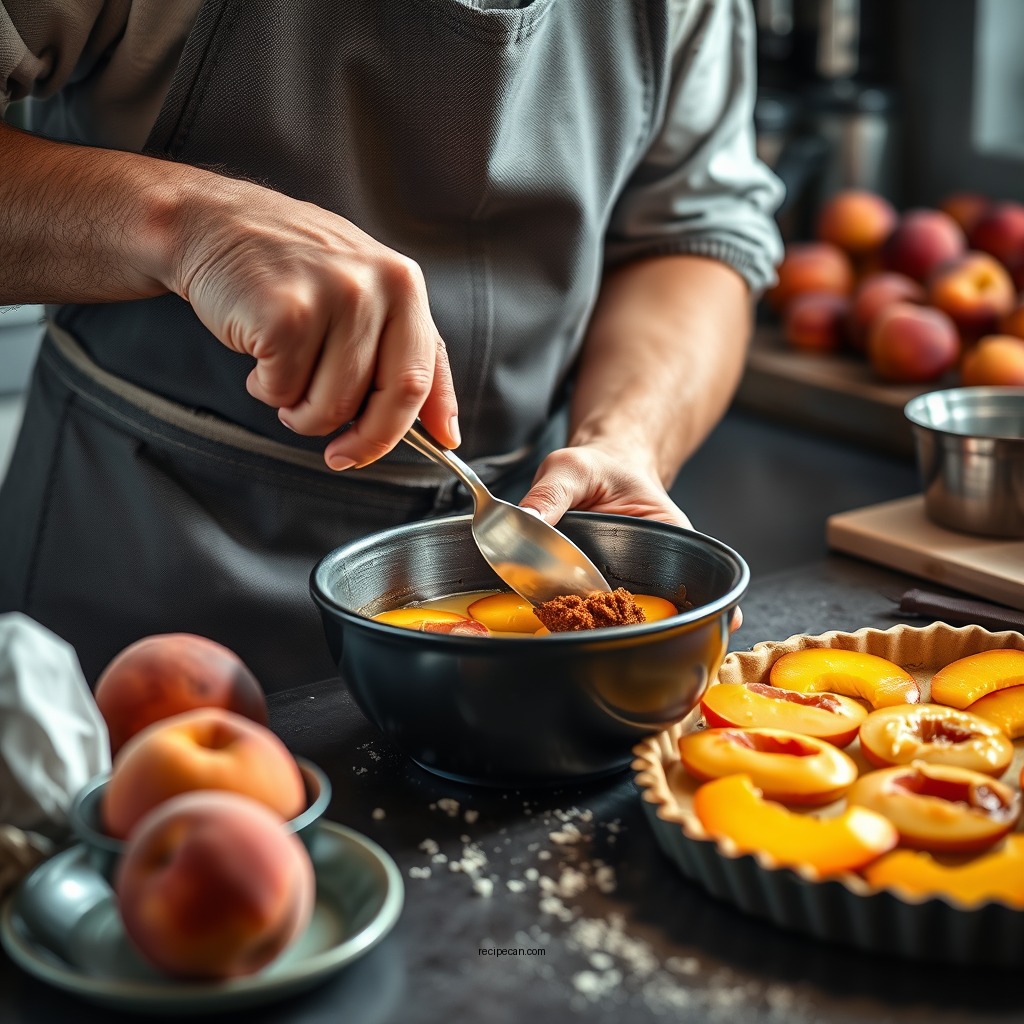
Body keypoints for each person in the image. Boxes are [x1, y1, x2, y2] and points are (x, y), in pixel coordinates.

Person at [0, 0, 783, 691]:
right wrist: (182, 221)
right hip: (146, 568)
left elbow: (691, 230)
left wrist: (627, 437)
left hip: (516, 600)